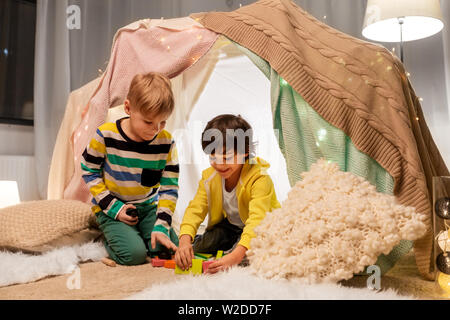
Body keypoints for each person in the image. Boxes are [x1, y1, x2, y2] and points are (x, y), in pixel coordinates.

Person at [81, 72, 179, 266]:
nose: (155, 129)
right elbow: (89, 170)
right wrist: (115, 208)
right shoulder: (106, 134)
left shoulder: (166, 141)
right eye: (149, 122)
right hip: (112, 207)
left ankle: (141, 237)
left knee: (168, 250)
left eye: (162, 122)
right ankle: (106, 242)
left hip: (148, 208)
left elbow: (170, 188)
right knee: (134, 255)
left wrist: (162, 224)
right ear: (128, 108)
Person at [175, 114, 281, 273]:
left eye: (227, 157)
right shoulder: (209, 177)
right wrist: (184, 240)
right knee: (197, 249)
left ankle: (234, 250)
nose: (219, 164)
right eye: (213, 157)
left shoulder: (260, 178)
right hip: (230, 227)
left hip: (261, 229)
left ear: (245, 152)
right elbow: (195, 209)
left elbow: (257, 221)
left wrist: (236, 255)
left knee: (244, 257)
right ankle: (215, 244)